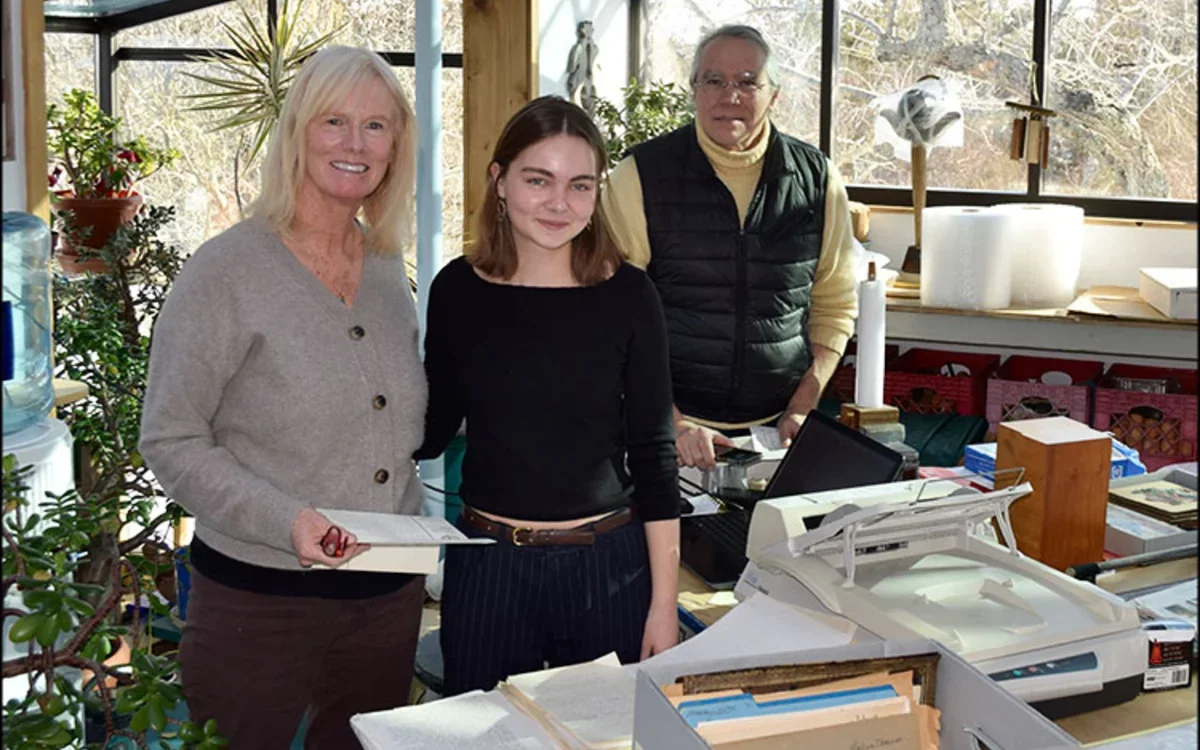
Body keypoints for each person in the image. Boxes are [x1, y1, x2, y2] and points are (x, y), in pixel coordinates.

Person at [140, 46, 426, 749]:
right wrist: (286, 519)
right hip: (257, 602)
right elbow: (170, 439)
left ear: (396, 148)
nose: (355, 144)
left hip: (386, 598)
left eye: (376, 126)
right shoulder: (226, 272)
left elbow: (390, 425)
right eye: (334, 121)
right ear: (297, 132)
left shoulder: (389, 271)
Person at [415, 96, 681, 696]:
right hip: (488, 565)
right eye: (539, 179)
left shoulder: (631, 297)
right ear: (499, 181)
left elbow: (655, 455)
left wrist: (664, 605)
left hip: (607, 567)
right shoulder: (458, 289)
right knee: (482, 738)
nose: (560, 203)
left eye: (580, 185)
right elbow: (430, 427)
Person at [603, 24, 859, 469]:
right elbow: (611, 312)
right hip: (663, 426)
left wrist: (803, 405)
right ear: (694, 90)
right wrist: (673, 423)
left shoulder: (818, 180)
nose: (730, 95)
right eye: (714, 81)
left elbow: (834, 302)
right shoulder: (639, 175)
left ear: (773, 94)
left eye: (747, 81)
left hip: (775, 432)